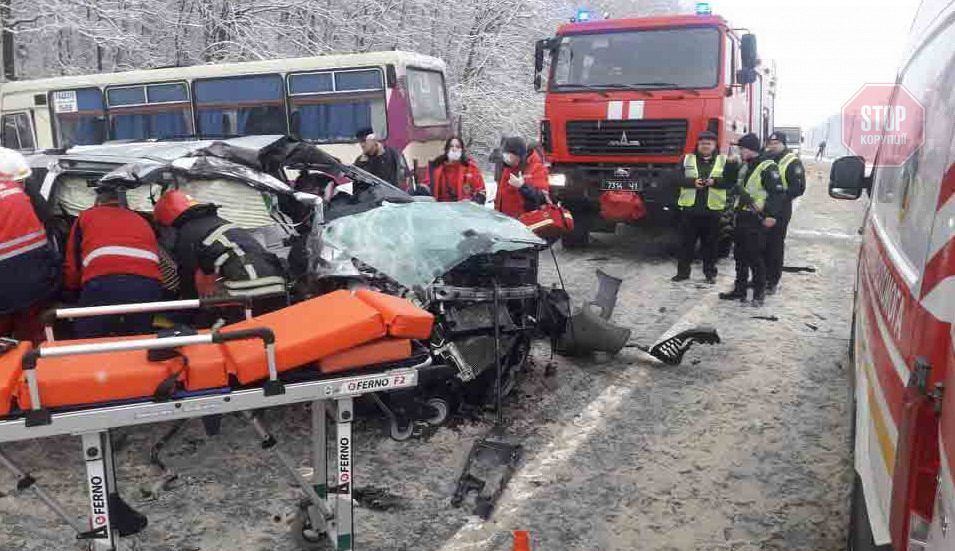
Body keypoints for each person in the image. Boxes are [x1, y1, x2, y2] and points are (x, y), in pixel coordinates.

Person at [63, 187, 163, 337]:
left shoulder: (86, 217)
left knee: (89, 338)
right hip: (148, 285)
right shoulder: (141, 219)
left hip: (103, 282)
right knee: (139, 338)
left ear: (97, 203)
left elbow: (73, 263)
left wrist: (70, 290)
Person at [153, 189, 287, 300]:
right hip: (277, 281)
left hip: (247, 284)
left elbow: (188, 280)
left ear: (167, 224)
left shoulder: (186, 234)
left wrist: (188, 314)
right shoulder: (219, 222)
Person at [718, 133, 786, 306]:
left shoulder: (767, 167)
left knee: (755, 256)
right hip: (741, 215)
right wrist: (730, 165)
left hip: (756, 217)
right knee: (740, 255)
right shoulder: (743, 165)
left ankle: (758, 293)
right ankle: (739, 289)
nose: (739, 152)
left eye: (741, 149)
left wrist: (771, 215)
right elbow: (728, 182)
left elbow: (777, 194)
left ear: (750, 149)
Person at [0, 148, 58, 343]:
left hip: (10, 289)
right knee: (34, 343)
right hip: (33, 286)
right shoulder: (20, 197)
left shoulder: (16, 196)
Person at [672, 131, 733, 284]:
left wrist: (715, 182)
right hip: (690, 210)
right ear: (698, 145)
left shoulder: (724, 161)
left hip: (712, 211)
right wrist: (692, 183)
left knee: (711, 246)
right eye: (702, 143)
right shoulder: (686, 159)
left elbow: (731, 182)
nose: (705, 146)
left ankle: (710, 273)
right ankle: (683, 273)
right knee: (686, 245)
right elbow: (674, 178)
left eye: (709, 144)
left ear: (715, 146)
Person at [763, 131, 807, 294]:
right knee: (761, 244)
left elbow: (798, 188)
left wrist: (780, 195)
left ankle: (772, 280)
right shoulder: (765, 157)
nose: (772, 146)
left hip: (781, 208)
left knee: (775, 244)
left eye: (776, 143)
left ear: (783, 144)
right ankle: (761, 277)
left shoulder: (792, 161)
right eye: (770, 143)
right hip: (763, 206)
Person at [494, 137, 549, 218]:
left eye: (510, 157)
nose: (507, 160)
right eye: (505, 156)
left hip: (524, 221)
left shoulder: (536, 168)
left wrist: (522, 186)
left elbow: (542, 198)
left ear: (520, 156)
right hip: (505, 220)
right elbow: (501, 195)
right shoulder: (508, 168)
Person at [429, 137, 486, 204]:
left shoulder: (471, 168)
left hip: (463, 210)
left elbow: (481, 191)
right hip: (440, 209)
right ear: (446, 149)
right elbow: (427, 186)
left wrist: (472, 202)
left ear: (462, 150)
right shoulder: (436, 166)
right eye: (451, 146)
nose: (454, 149)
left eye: (457, 146)